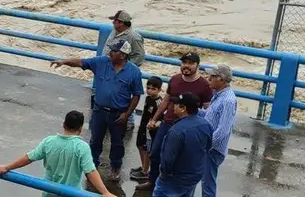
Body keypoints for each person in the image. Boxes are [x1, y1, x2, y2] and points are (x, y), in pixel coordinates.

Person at [50, 40, 143, 179]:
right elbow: (81, 62)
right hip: (99, 111)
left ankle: (115, 168)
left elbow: (136, 95)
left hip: (118, 114)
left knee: (117, 143)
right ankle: (91, 167)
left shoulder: (134, 71)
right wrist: (63, 61)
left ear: (123, 55)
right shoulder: (101, 62)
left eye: (114, 51)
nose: (110, 52)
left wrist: (127, 114)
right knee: (95, 141)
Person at [145, 93, 213, 197]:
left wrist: (164, 174)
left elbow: (168, 159)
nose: (172, 106)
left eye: (176, 104)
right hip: (193, 176)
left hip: (173, 178)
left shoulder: (177, 130)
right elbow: (208, 148)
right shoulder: (206, 125)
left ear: (183, 109)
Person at [140, 51, 213, 188]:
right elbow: (165, 102)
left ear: (198, 65)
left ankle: (168, 185)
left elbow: (208, 111)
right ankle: (152, 181)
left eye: (191, 63)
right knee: (155, 153)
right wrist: (154, 119)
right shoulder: (174, 79)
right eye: (184, 62)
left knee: (178, 158)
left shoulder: (204, 85)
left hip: (187, 128)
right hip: (168, 123)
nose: (187, 66)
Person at [191, 65, 237, 197]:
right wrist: (194, 110)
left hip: (213, 149)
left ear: (221, 80)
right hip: (209, 146)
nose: (208, 79)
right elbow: (210, 115)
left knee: (208, 185)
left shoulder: (228, 101)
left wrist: (206, 146)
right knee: (205, 182)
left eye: (212, 77)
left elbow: (223, 130)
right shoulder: (218, 95)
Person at [134, 76, 163, 181]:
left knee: (147, 150)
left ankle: (145, 171)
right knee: (140, 145)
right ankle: (143, 166)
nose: (150, 91)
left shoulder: (159, 102)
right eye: (148, 88)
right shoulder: (147, 98)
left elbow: (162, 119)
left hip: (150, 131)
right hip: (143, 126)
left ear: (159, 90)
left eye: (153, 89)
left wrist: (153, 125)